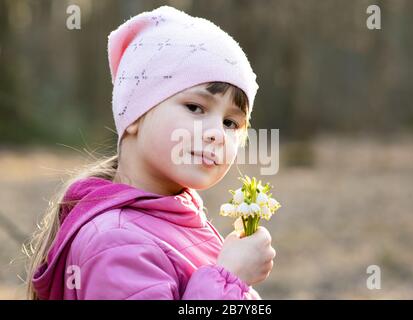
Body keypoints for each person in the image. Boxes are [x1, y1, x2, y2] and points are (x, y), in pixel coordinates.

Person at [25, 5, 276, 300]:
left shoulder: (179, 218)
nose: (216, 133)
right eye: (195, 108)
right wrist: (229, 279)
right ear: (135, 115)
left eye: (230, 123)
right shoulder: (116, 243)